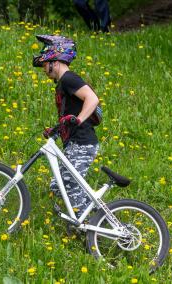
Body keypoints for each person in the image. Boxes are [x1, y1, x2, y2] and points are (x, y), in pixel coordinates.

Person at [33, 34, 100, 219]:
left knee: (69, 182)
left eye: (45, 64)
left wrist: (79, 119)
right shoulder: (62, 84)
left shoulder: (69, 78)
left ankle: (90, 225)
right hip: (74, 143)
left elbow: (92, 99)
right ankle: (90, 217)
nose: (44, 69)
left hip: (83, 143)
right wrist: (56, 130)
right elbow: (68, 115)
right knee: (57, 185)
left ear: (55, 59)